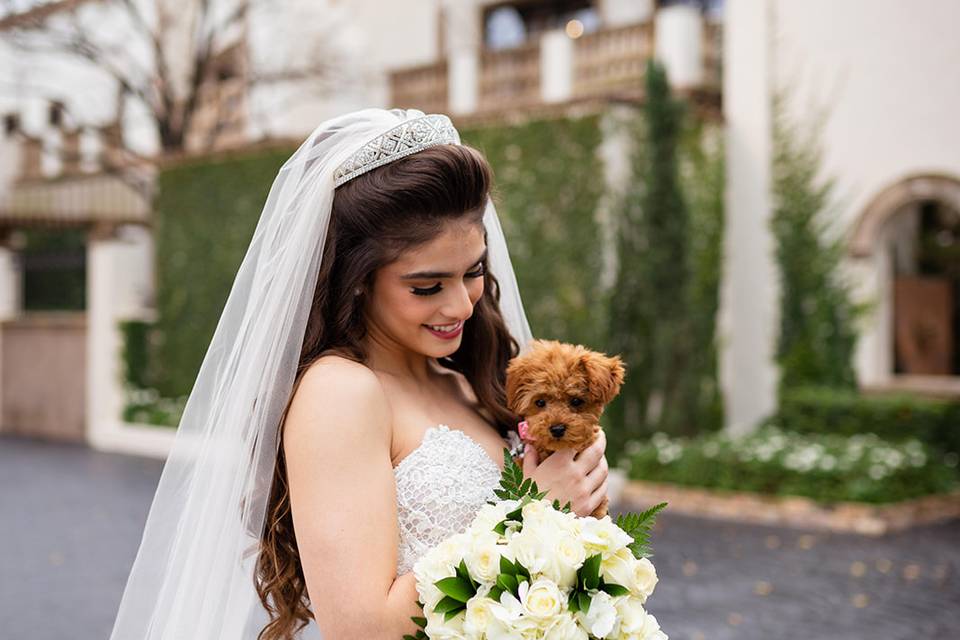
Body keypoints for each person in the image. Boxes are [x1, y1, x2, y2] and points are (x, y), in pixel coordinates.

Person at [108, 109, 608, 640]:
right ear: (358, 279)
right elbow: (361, 629)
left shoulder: (463, 381)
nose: (462, 304)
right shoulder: (339, 394)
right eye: (426, 286)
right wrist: (529, 512)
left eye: (474, 271)